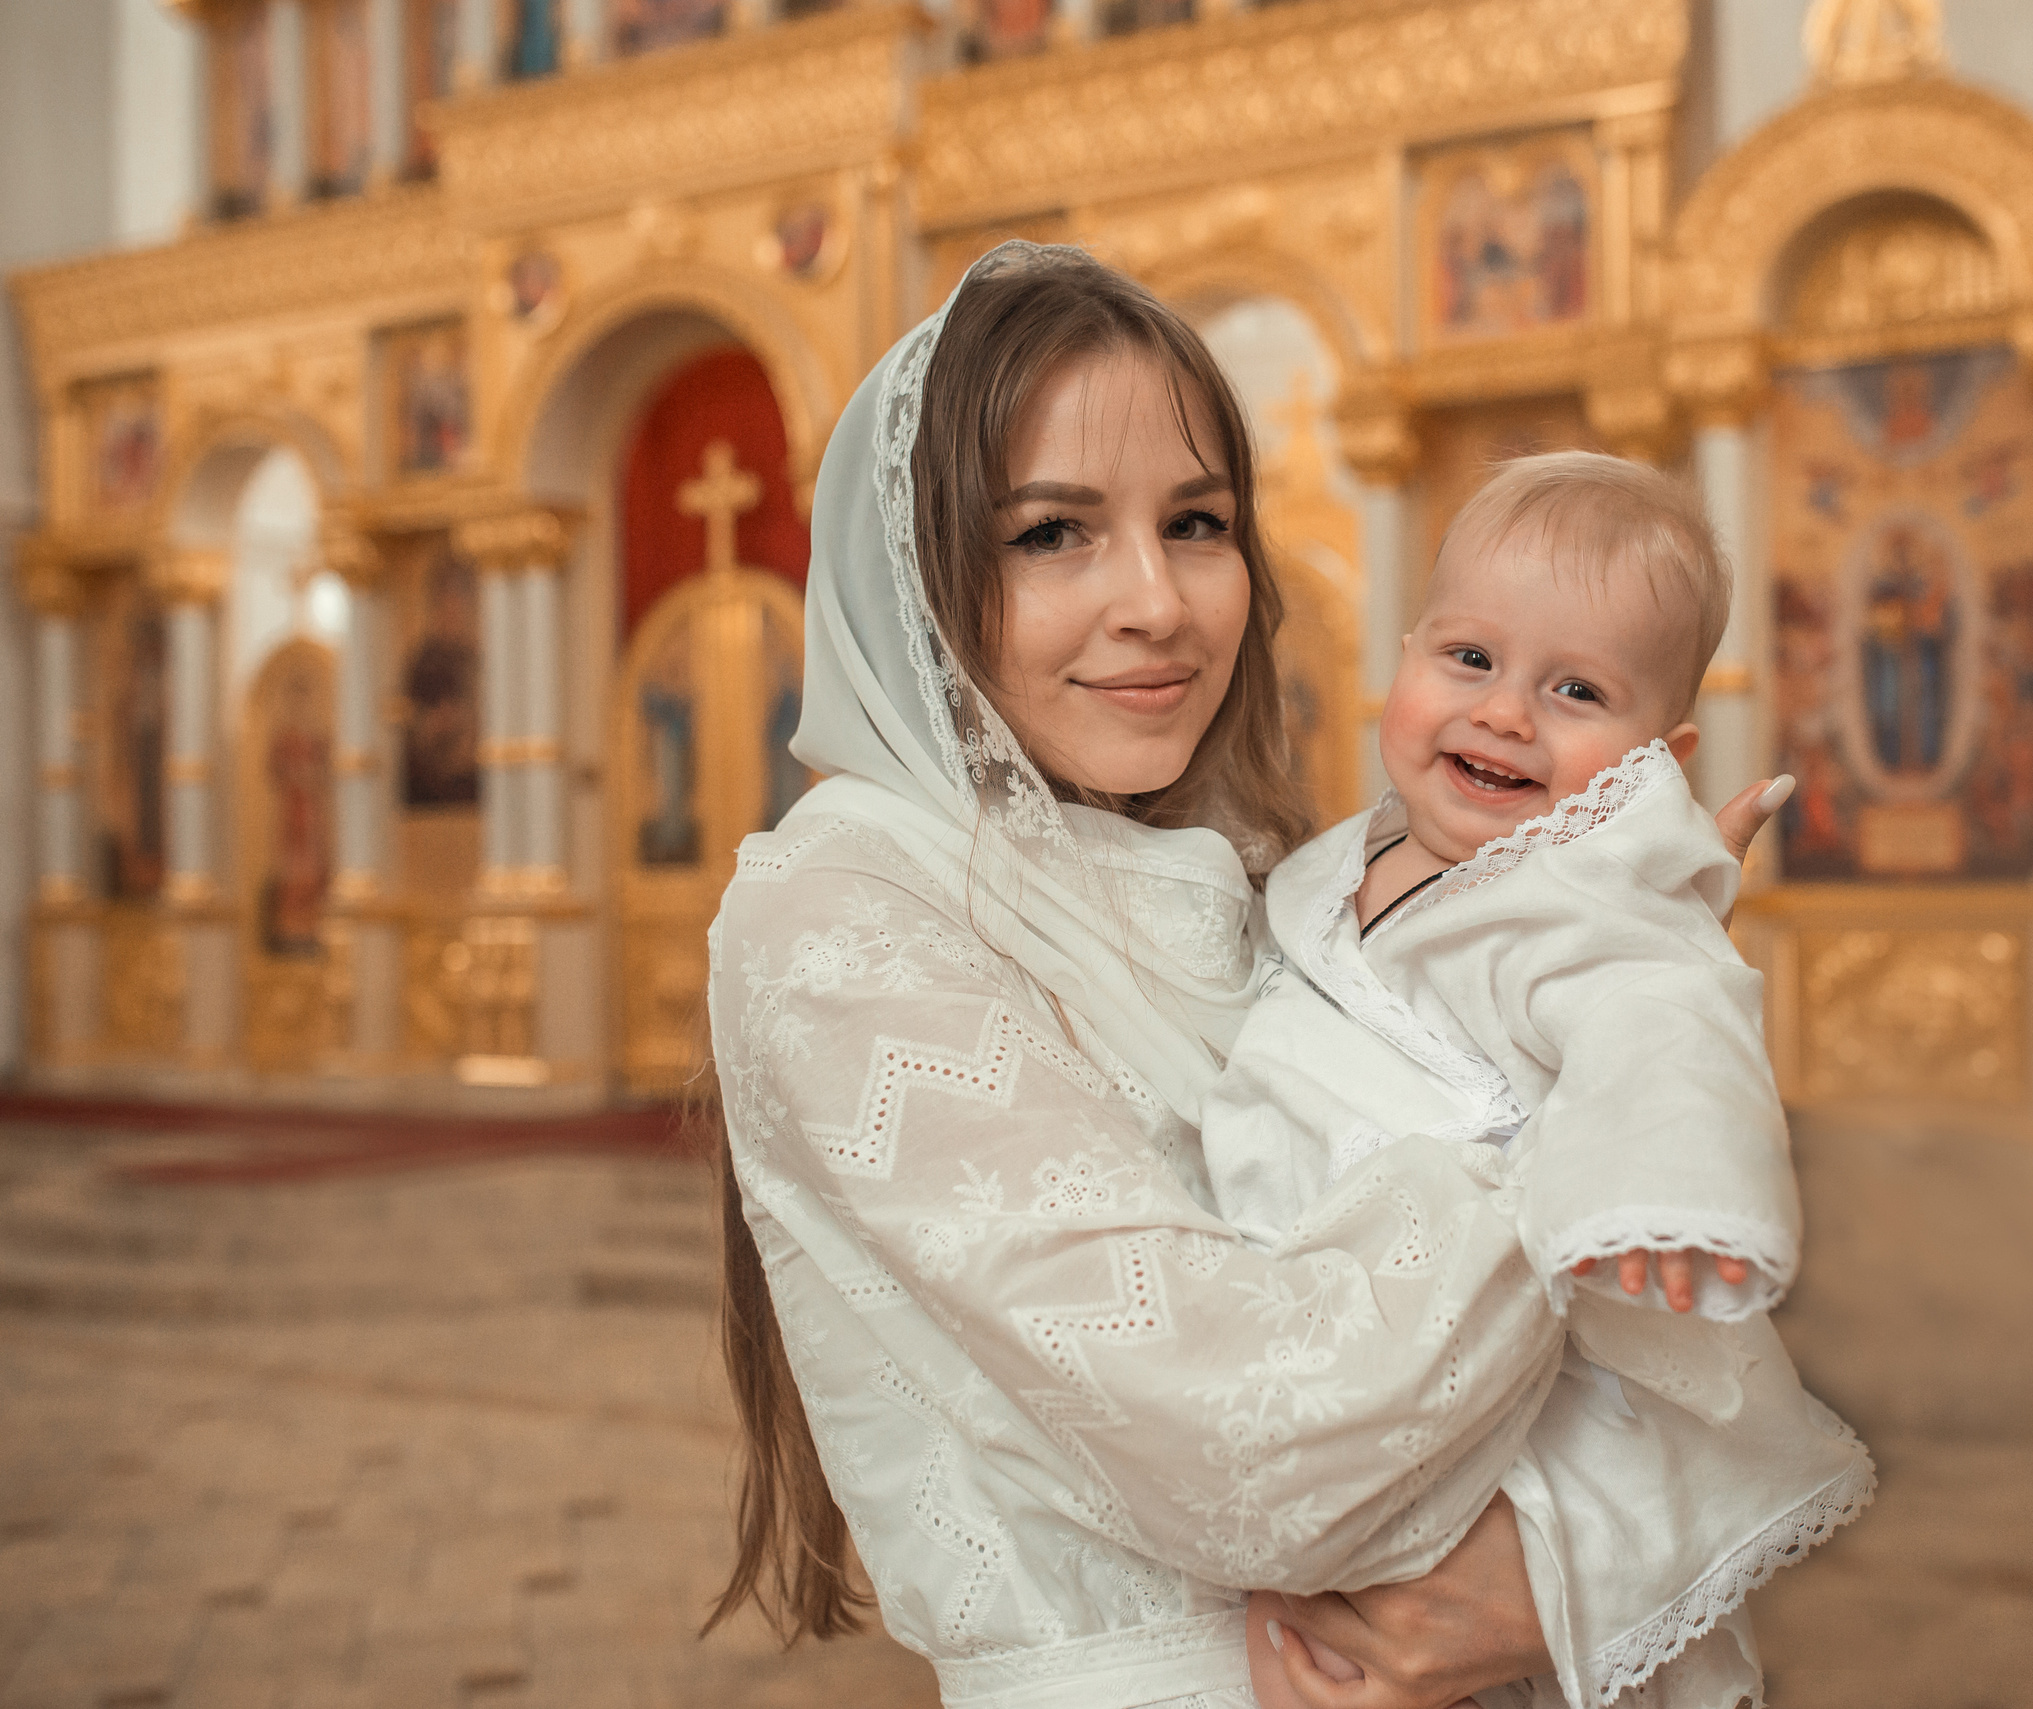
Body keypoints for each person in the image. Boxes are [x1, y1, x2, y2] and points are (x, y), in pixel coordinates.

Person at [704, 243, 1784, 1709]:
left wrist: (1558, 1583)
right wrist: (1591, 1079)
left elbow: (1675, 1371)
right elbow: (1252, 1447)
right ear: (913, 565)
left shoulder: (1289, 885)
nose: (1157, 601)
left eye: (1197, 522)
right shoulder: (840, 910)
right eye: (1052, 535)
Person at [1204, 454, 1871, 1709]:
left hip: (1503, 1375)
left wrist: (1661, 1198)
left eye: (1575, 688)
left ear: (1650, 764)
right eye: (1468, 659)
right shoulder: (1321, 872)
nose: (1505, 712)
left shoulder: (1590, 899)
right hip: (1316, 1344)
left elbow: (1662, 1022)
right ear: (1403, 656)